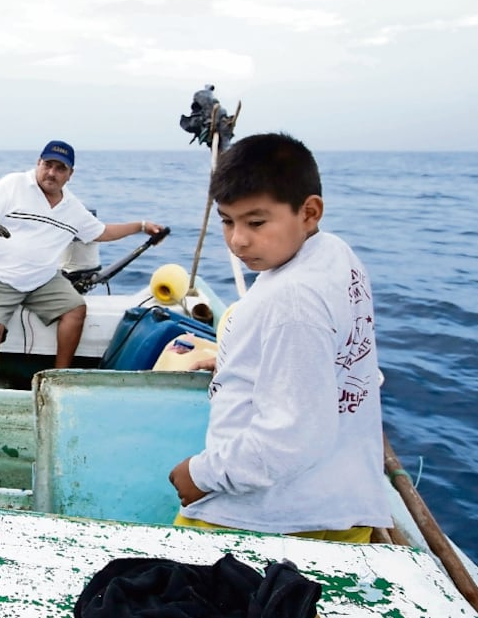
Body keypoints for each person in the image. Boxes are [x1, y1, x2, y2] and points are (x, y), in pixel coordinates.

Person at [168, 132, 392, 542]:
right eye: (227, 220)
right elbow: (325, 351)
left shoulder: (292, 300)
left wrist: (199, 475)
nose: (238, 239)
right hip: (338, 502)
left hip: (268, 517)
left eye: (256, 222)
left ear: (309, 212)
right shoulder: (335, 254)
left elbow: (292, 437)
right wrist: (244, 357)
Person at [0, 140, 165, 388]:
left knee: (76, 310)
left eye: (60, 168)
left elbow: (103, 232)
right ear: (38, 163)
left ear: (70, 174)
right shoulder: (12, 185)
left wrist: (140, 226)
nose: (52, 173)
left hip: (42, 279)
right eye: (48, 164)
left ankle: (58, 379)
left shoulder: (72, 208)